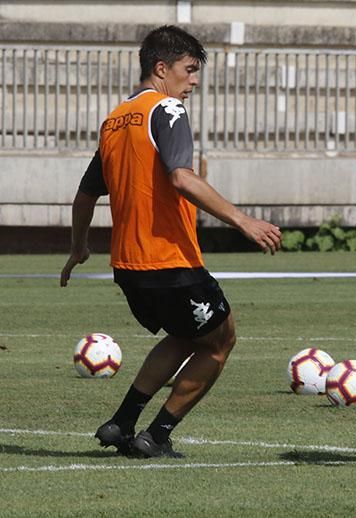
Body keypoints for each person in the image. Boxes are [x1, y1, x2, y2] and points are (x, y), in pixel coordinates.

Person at [60, 25, 282, 458]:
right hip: (169, 261)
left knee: (184, 337)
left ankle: (121, 424)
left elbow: (86, 194)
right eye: (189, 69)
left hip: (127, 265)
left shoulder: (114, 121)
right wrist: (243, 221)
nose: (194, 81)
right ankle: (157, 435)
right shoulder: (168, 110)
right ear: (161, 68)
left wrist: (78, 247)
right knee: (220, 342)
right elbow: (181, 176)